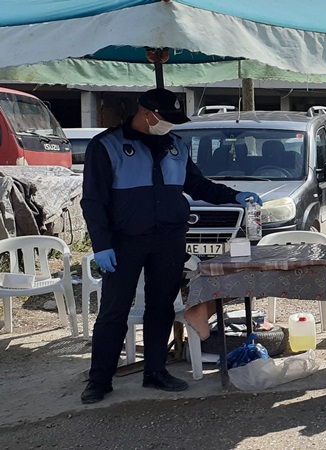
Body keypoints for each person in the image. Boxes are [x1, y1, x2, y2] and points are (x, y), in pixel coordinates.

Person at [80, 88, 261, 404]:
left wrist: (233, 195)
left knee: (161, 307)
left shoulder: (175, 145)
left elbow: (198, 185)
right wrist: (101, 244)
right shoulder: (107, 145)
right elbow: (93, 200)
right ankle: (99, 379)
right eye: (165, 119)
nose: (169, 126)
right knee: (114, 310)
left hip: (169, 239)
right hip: (124, 241)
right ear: (147, 112)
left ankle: (155, 372)